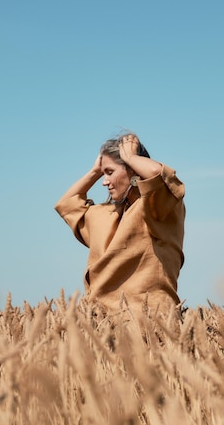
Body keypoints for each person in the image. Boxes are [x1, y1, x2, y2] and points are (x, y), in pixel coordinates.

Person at [54, 132, 185, 320]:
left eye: (109, 172)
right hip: (102, 325)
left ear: (132, 170)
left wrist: (131, 157)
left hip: (150, 324)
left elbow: (159, 176)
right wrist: (94, 171)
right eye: (103, 173)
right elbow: (67, 203)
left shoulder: (158, 209)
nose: (104, 181)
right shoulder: (107, 214)